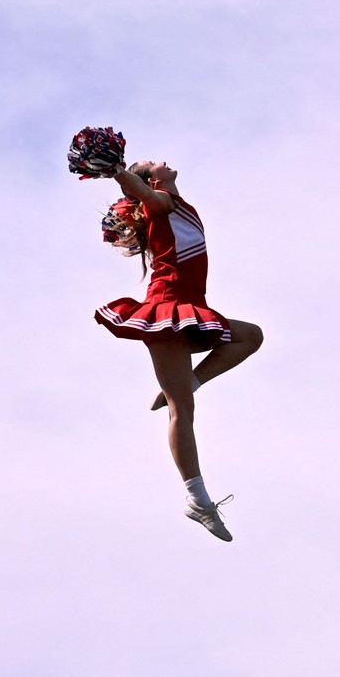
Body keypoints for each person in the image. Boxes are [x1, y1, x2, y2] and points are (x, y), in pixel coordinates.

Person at [96, 159, 265, 542]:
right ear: (151, 179)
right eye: (153, 163)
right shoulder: (160, 202)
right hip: (168, 309)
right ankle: (198, 500)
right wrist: (114, 169)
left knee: (250, 336)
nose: (164, 161)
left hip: (192, 307)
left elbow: (140, 192)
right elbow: (135, 190)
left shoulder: (173, 203)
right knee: (182, 410)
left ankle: (189, 381)